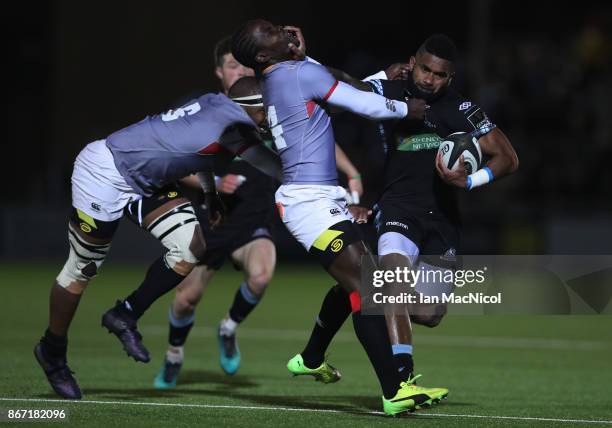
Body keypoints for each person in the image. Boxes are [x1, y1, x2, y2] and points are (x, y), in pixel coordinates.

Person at [231, 19, 446, 415]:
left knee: (357, 281)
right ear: (263, 55)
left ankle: (312, 357)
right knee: (369, 288)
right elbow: (360, 102)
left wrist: (381, 75)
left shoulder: (284, 77)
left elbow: (334, 87)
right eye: (272, 33)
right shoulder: (296, 73)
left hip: (318, 199)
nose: (283, 30)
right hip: (307, 202)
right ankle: (394, 390)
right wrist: (405, 108)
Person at [288, 34, 519, 397]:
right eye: (424, 69)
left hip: (443, 220)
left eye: (439, 75)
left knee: (429, 313)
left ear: (450, 78)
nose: (428, 79)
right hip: (398, 210)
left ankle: (353, 292)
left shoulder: (464, 111)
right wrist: (306, 59)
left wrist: (469, 180)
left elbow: (508, 157)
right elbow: (344, 82)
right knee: (392, 283)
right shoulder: (389, 92)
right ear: (413, 63)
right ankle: (401, 379)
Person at [34, 76, 281, 400]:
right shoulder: (232, 125)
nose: (271, 116)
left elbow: (199, 152)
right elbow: (276, 167)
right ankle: (52, 350)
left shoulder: (215, 105)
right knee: (82, 271)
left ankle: (125, 314)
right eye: (266, 110)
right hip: (105, 173)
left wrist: (210, 194)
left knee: (191, 246)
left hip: (144, 178)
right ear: (251, 106)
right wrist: (335, 190)